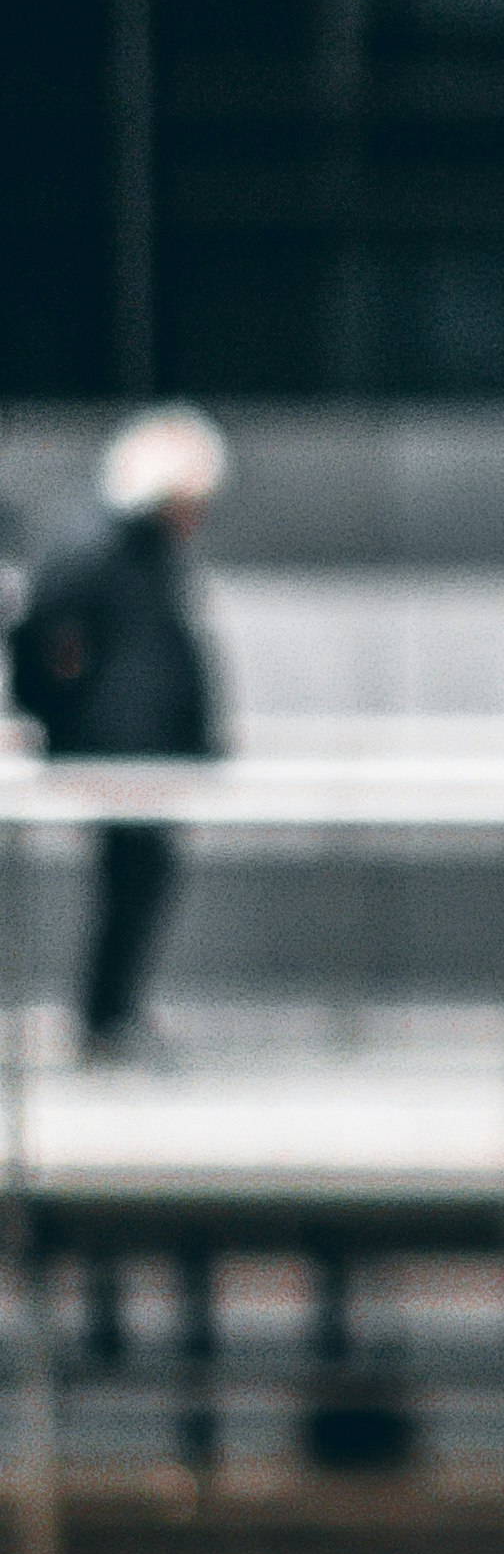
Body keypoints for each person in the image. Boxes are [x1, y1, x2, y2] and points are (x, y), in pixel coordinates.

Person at [7, 407, 230, 1069]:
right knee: (135, 876)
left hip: (141, 752)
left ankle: (111, 1014)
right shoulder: (99, 551)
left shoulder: (148, 555)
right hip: (117, 753)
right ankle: (106, 1018)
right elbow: (44, 644)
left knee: (139, 877)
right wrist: (57, 720)